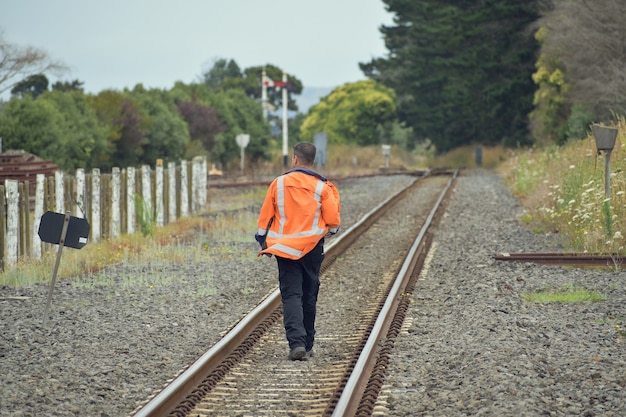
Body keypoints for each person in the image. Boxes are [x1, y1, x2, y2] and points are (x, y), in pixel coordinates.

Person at [255, 142, 341, 361]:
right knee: (309, 292)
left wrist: (262, 239)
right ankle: (308, 344)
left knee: (292, 294)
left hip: (284, 248)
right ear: (313, 161)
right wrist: (331, 230)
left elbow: (265, 217)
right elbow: (333, 221)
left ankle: (297, 344)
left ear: (295, 159)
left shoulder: (279, 183)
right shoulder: (323, 187)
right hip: (312, 248)